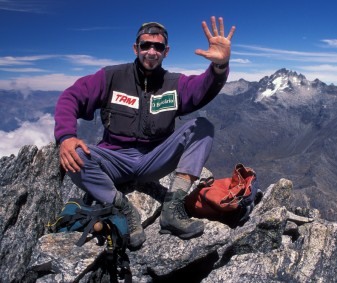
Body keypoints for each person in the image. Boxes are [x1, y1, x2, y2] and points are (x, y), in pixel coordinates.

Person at [54, 16, 235, 251]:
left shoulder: (174, 83)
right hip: (114, 160)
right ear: (135, 48)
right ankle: (124, 209)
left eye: (158, 47)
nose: (151, 52)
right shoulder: (111, 77)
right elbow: (71, 97)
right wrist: (66, 136)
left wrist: (219, 67)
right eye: (145, 45)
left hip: (154, 159)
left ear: (166, 51)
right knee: (74, 155)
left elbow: (202, 89)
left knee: (203, 127)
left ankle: (172, 209)